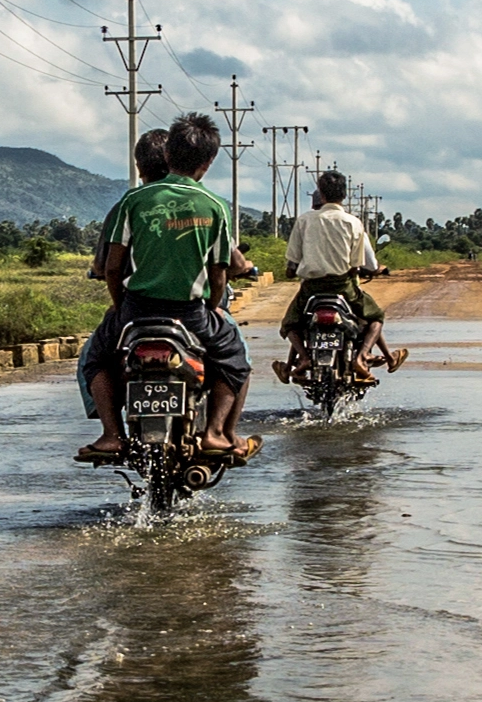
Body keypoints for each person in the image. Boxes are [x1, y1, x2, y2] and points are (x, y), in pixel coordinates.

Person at [79, 117, 255, 461]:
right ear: (207, 164)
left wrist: (120, 306)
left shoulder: (133, 201)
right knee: (237, 361)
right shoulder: (215, 206)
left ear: (168, 155)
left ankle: (112, 435)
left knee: (96, 359)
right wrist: (214, 307)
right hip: (191, 315)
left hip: (136, 311)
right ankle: (217, 433)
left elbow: (113, 267)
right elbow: (218, 273)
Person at [281, 167, 399, 382]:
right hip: (343, 288)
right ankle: (362, 357)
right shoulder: (353, 223)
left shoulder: (305, 220)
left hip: (311, 289)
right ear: (344, 195)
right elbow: (358, 265)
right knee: (376, 317)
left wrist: (293, 271)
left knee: (290, 323)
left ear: (321, 194)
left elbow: (292, 263)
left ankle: (304, 358)